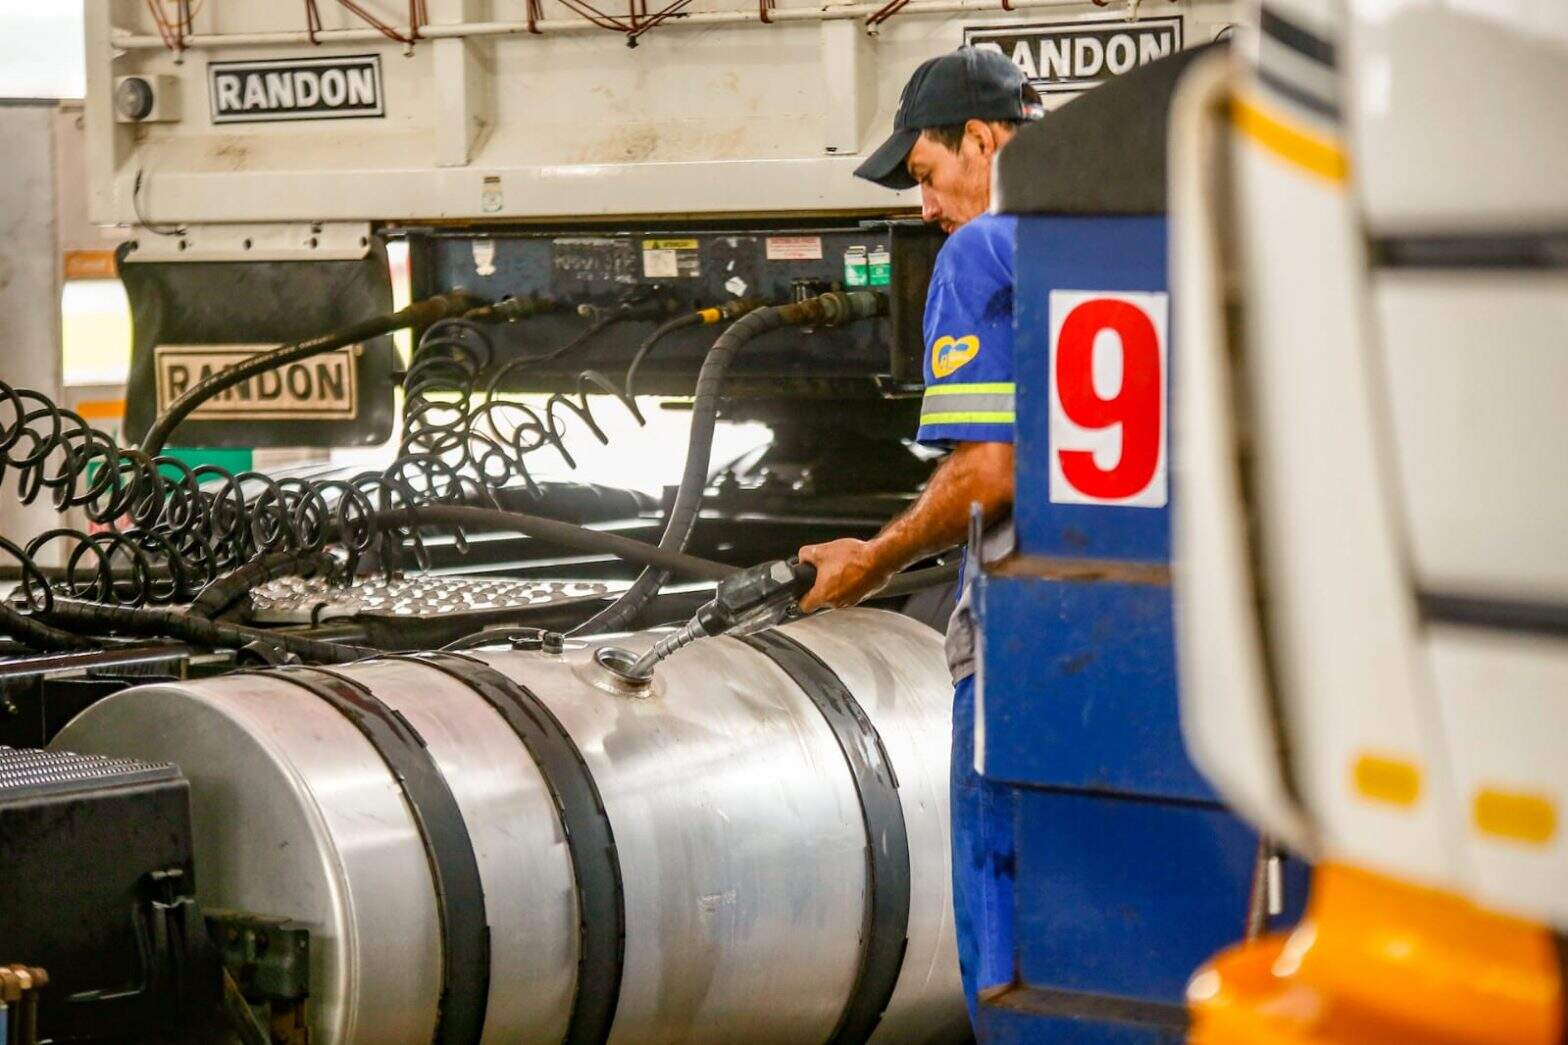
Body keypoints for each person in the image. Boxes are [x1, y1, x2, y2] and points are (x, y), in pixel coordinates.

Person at [795, 46, 1040, 1028]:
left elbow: (991, 468)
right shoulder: (1129, 229)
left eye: (926, 176)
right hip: (1146, 632)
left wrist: (873, 558)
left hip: (1021, 645)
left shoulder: (980, 255)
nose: (925, 208)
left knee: (1003, 927)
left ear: (979, 139)